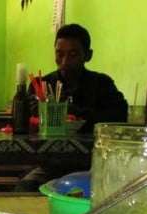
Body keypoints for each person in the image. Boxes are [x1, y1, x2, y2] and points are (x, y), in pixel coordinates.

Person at [15, 23, 128, 192]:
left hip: (90, 166)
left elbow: (120, 115)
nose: (65, 62)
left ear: (88, 55)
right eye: (59, 54)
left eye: (73, 54)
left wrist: (75, 112)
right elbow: (27, 130)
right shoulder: (42, 84)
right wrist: (31, 113)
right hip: (50, 166)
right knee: (25, 189)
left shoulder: (101, 83)